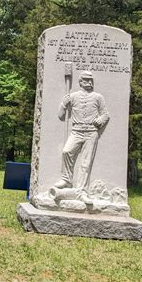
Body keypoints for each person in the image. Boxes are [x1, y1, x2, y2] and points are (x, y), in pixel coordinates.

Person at [54, 71, 110, 204]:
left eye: (91, 80)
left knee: (85, 163)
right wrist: (63, 104)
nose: (89, 82)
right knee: (67, 151)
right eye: (86, 80)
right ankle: (66, 179)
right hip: (76, 131)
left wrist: (100, 120)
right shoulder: (72, 96)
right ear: (80, 82)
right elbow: (61, 115)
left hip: (91, 132)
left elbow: (106, 114)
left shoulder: (98, 97)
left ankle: (81, 192)